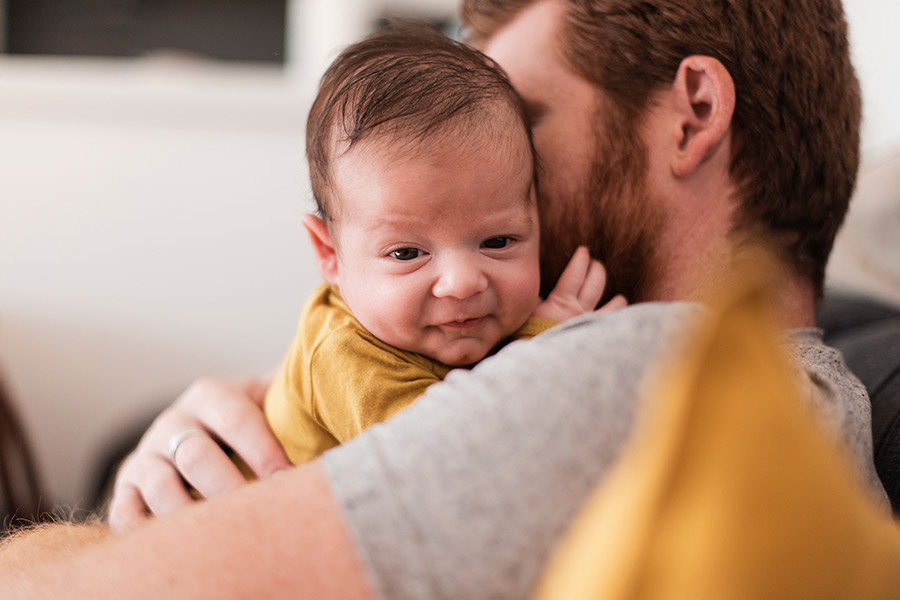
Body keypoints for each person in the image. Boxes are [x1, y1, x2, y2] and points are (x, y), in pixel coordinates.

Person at [0, 1, 886, 598]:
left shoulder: (632, 374)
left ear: (692, 112)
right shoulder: (811, 393)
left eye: (524, 120)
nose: (483, 169)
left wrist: (113, 528)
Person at [264, 22, 620, 465]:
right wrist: (545, 349)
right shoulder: (343, 356)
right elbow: (453, 458)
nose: (462, 283)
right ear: (330, 255)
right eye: (407, 253)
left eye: (497, 241)